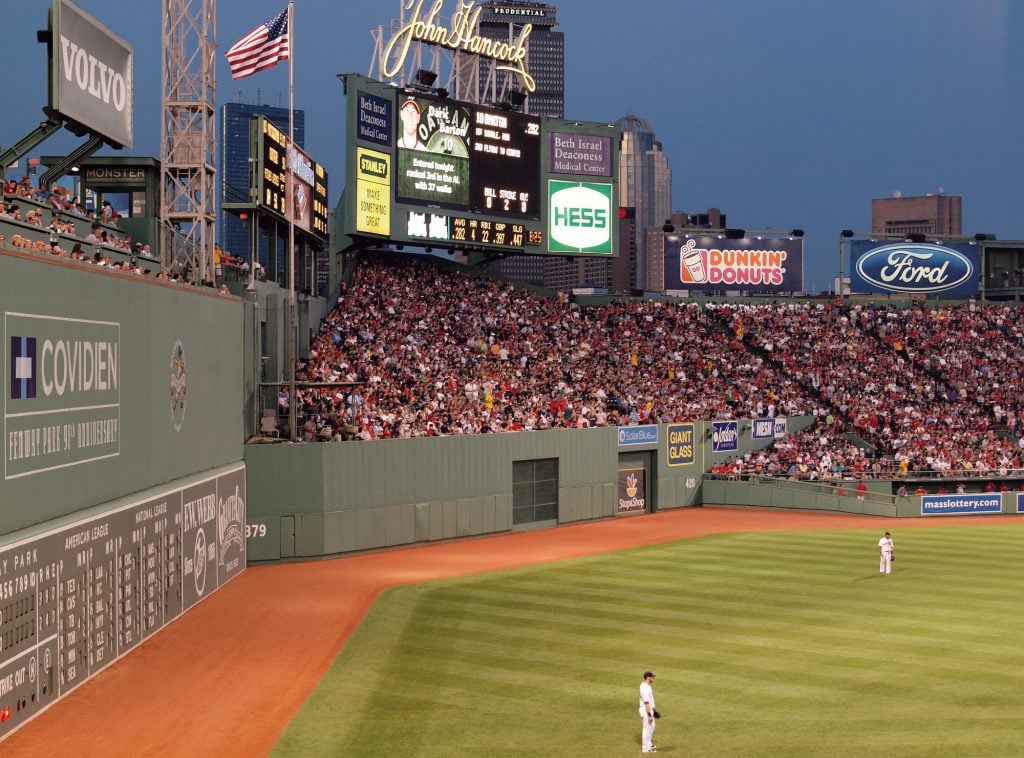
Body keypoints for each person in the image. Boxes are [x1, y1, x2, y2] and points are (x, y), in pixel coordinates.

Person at [638, 670, 657, 753]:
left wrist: (654, 711)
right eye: (652, 677)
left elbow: (650, 701)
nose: (653, 678)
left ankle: (649, 744)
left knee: (652, 726)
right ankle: (645, 748)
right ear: (648, 677)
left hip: (649, 709)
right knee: (646, 728)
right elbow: (646, 703)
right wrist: (649, 715)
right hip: (646, 709)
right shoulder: (645, 688)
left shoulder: (645, 685)